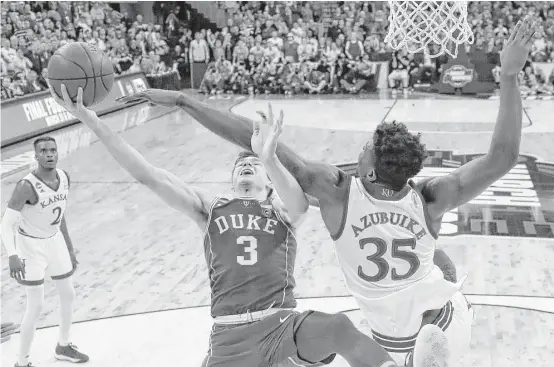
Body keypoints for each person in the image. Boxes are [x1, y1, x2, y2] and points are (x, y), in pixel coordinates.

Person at [117, 16, 538, 366]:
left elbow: (255, 138)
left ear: (371, 174)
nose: (359, 151)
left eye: (365, 151)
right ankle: (442, 316)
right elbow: (502, 157)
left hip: (388, 334)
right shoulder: (430, 197)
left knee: (413, 298)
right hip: (440, 321)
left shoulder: (339, 192)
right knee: (437, 272)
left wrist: (185, 102)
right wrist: (508, 74)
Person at [50, 85, 449, 367]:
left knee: (338, 328)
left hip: (281, 323)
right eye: (240, 164)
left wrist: (270, 156)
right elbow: (148, 174)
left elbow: (297, 200)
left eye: (252, 165)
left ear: (266, 178)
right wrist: (88, 118)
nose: (246, 165)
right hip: (229, 336)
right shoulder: (210, 209)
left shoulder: (284, 210)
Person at [1, 137, 89, 367]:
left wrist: (68, 246)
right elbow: (5, 223)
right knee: (36, 305)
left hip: (54, 240)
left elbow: (59, 215)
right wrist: (12, 255)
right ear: (36, 156)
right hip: (30, 247)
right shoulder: (26, 186)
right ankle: (22, 361)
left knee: (68, 294)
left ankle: (63, 345)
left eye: (52, 150)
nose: (49, 154)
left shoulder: (64, 177)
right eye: (43, 151)